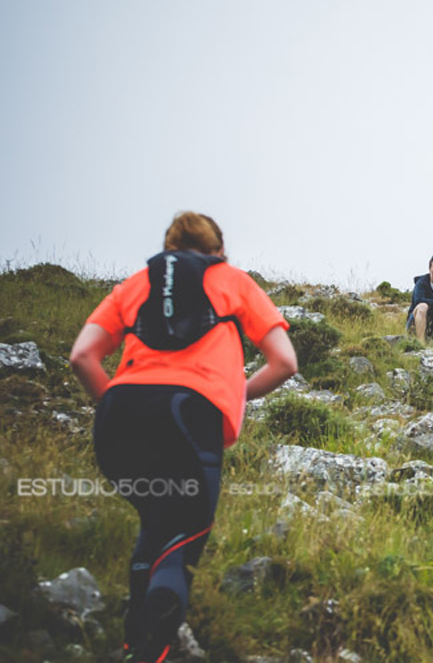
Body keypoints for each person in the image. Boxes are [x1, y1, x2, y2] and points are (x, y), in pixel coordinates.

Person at [69, 211, 297, 663]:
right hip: (189, 415)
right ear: (218, 250)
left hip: (120, 417)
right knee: (182, 541)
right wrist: (233, 396)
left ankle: (134, 643)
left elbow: (81, 356)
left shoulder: (135, 284)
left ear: (170, 247)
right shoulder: (232, 281)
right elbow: (285, 362)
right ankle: (152, 649)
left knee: (155, 523)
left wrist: (114, 408)